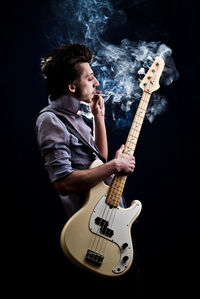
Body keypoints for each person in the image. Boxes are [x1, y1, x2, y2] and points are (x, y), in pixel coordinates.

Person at [36, 43, 143, 293]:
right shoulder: (50, 120)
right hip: (89, 233)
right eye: (90, 77)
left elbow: (98, 161)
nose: (96, 82)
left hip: (107, 225)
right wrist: (115, 165)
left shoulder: (77, 119)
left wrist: (98, 119)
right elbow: (63, 182)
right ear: (72, 87)